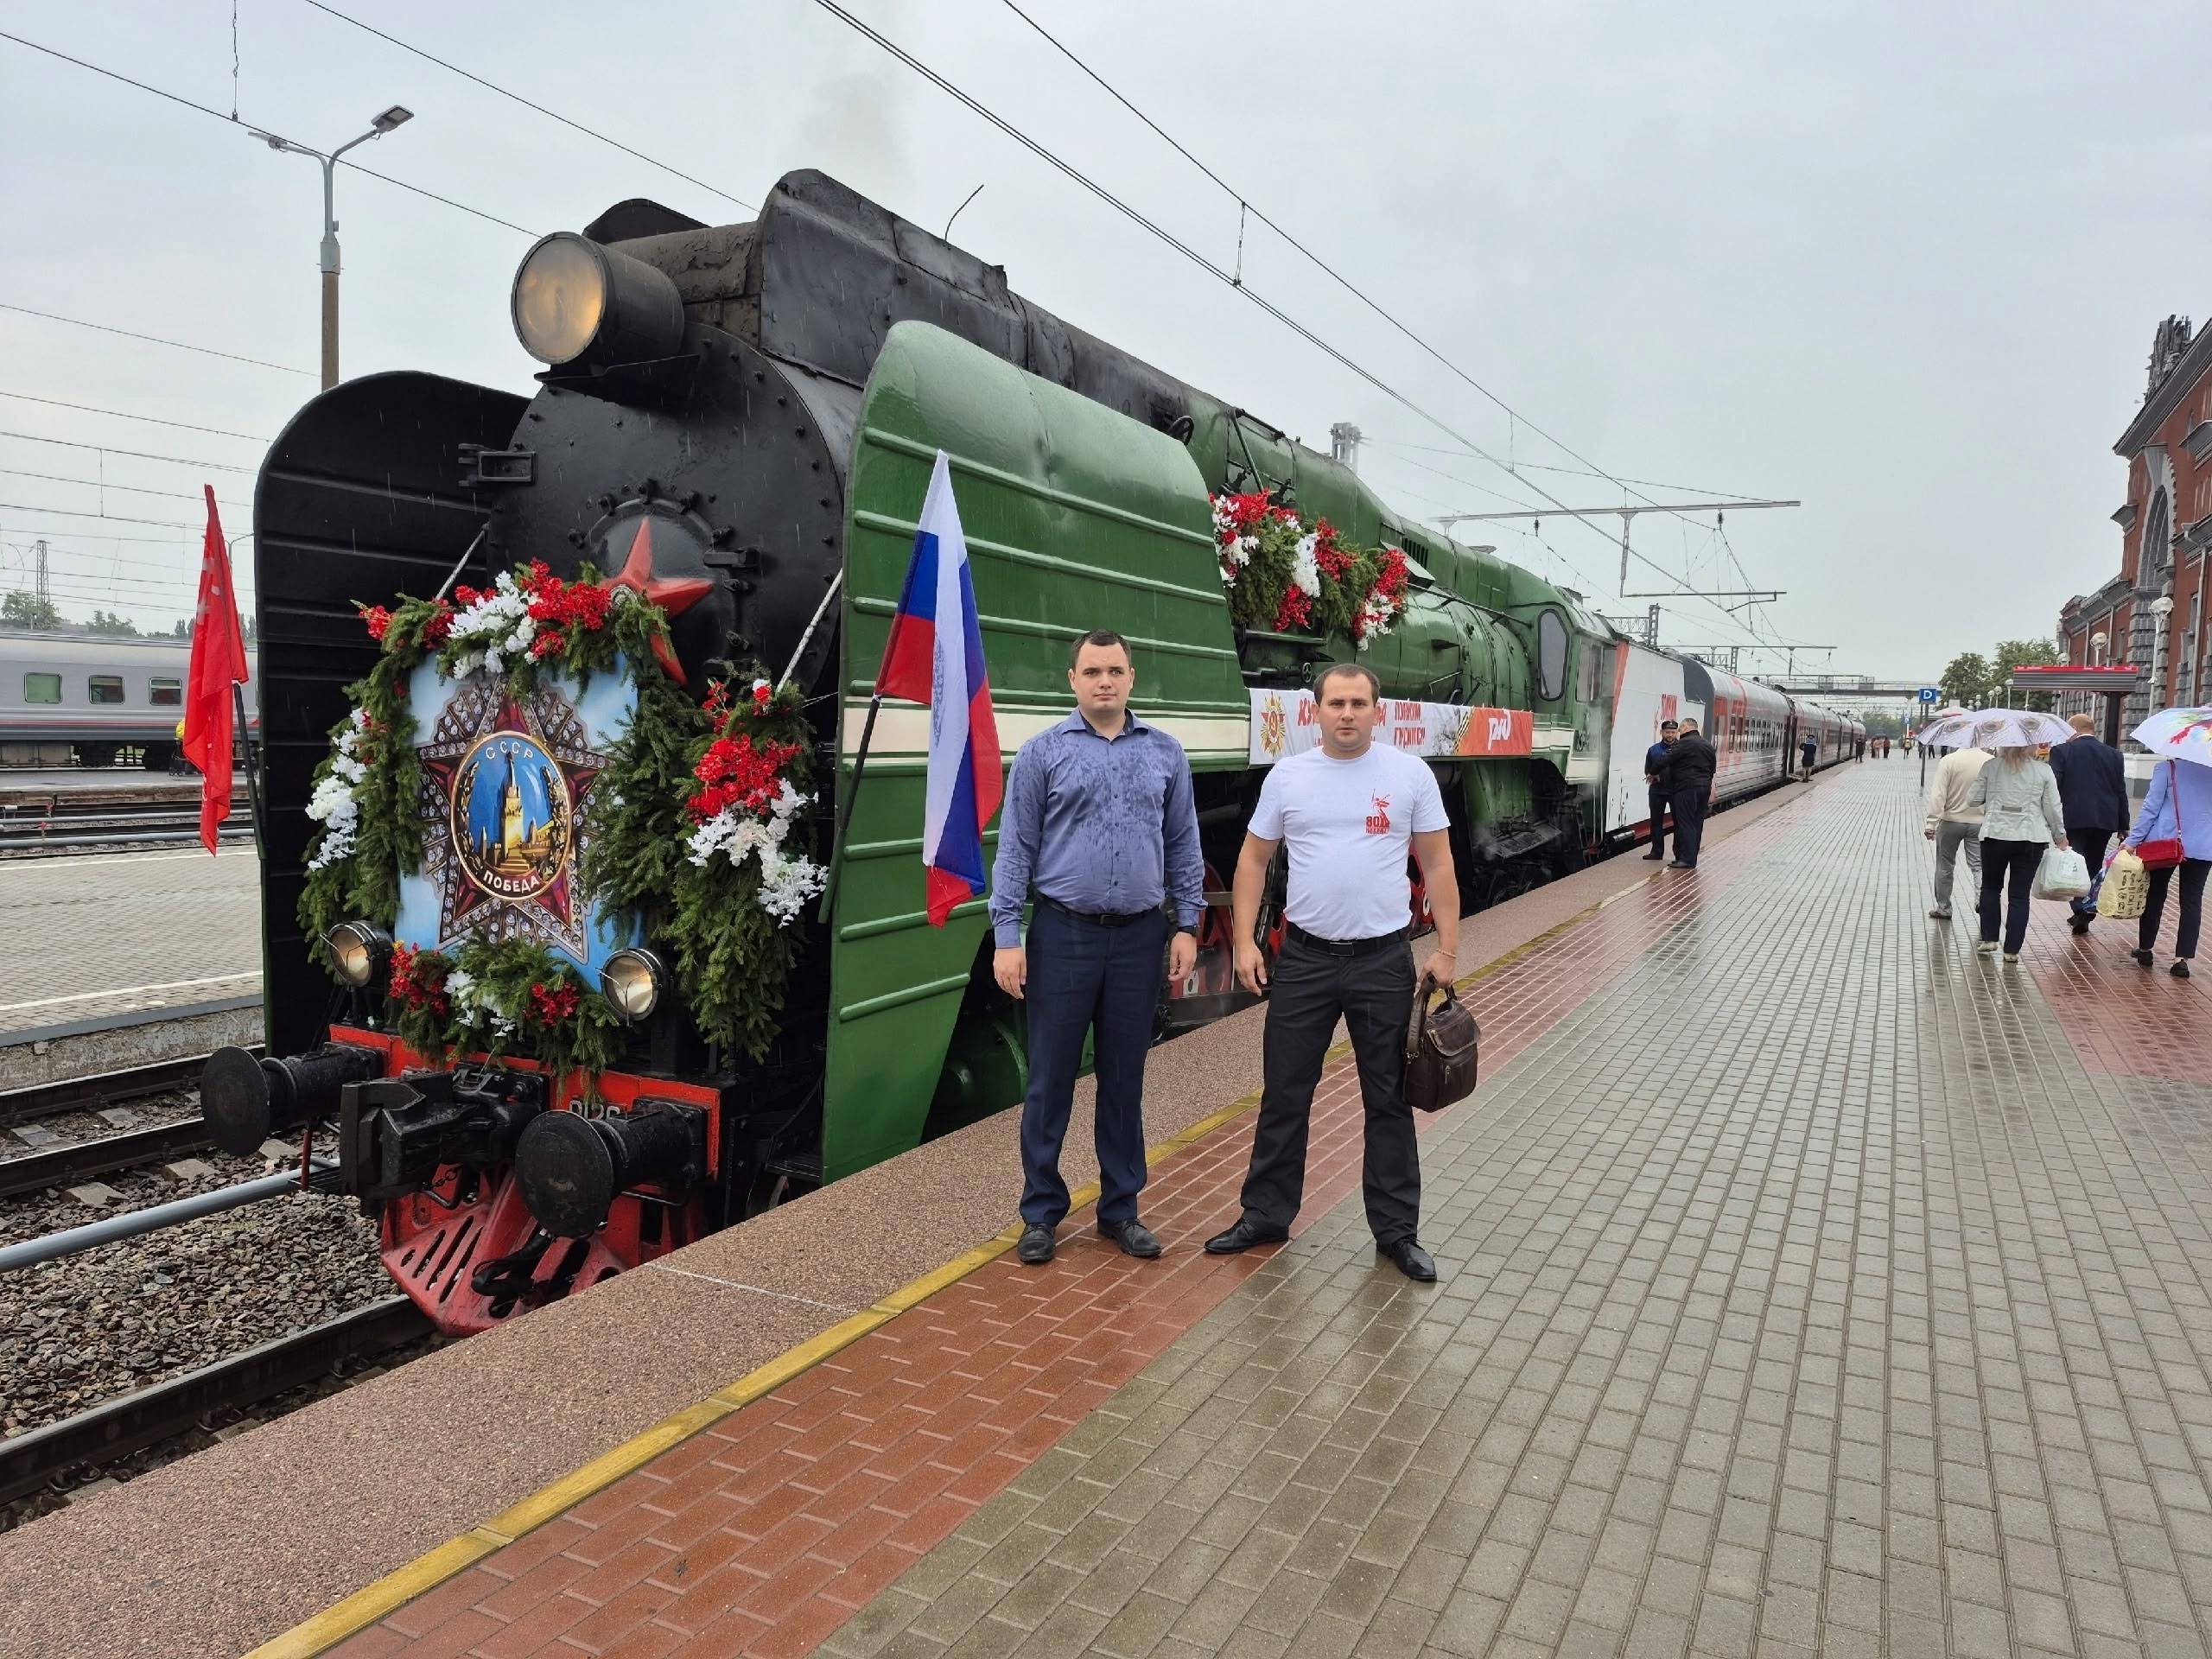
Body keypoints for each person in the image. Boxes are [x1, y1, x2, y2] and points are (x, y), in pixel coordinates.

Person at [1207, 663, 1459, 1282]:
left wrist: (1447, 949)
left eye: (1358, 703)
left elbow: (1439, 863)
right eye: (1336, 703)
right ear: (1314, 711)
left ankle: (1397, 1232)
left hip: (1383, 961)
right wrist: (1244, 942)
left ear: (1378, 711)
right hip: (1306, 960)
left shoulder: (1409, 775)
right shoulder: (1289, 778)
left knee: (1389, 1100)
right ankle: (1265, 1215)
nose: (1347, 714)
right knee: (1285, 1093)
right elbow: (1252, 862)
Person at [990, 630, 1202, 1265]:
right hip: (1064, 934)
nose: (1104, 681)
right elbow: (1015, 849)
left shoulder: (1166, 755)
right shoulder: (1041, 754)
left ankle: (1121, 1211)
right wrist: (1008, 936)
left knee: (1124, 1079)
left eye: (1114, 670)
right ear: (1072, 680)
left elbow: (1184, 843)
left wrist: (1186, 924)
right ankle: (1041, 1214)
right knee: (1050, 1079)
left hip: (1140, 938)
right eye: (1092, 671)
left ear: (1132, 678)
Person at [1965, 745, 2067, 963]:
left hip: (1995, 834)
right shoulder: (2043, 771)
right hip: (2030, 838)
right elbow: (2052, 807)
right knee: (2019, 895)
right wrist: (2060, 836)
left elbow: (1972, 800)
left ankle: (1990, 938)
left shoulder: (1991, 766)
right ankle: (2012, 950)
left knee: (1990, 888)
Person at [2121, 758, 2211, 979]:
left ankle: (2145, 949)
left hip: (2165, 842)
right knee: (2192, 900)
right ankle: (2182, 959)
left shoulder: (2167, 768)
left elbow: (2151, 808)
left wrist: (2133, 840)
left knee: (2155, 894)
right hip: (2204, 845)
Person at [2048, 712, 2131, 936]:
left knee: (2074, 863)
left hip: (2073, 818)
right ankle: (2086, 907)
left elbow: (2054, 785)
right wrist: (2124, 825)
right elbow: (2120, 790)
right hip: (2105, 819)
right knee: (2093, 864)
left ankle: (2079, 908)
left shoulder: (2062, 752)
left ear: (2073, 729)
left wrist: (2049, 817)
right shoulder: (2114, 755)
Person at [1923, 741, 1990, 920]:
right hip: (1979, 822)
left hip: (1950, 821)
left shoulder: (1949, 761)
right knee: (1978, 866)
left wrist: (1931, 823)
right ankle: (1980, 901)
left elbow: (1938, 794)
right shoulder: (1990, 761)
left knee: (1945, 865)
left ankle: (1944, 908)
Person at [1662, 717, 1717, 869]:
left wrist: (1653, 771)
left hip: (1686, 788)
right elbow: (1712, 768)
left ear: (1686, 727)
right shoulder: (1707, 745)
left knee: (1685, 823)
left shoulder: (1684, 743)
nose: (1679, 732)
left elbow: (1666, 759)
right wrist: (1706, 782)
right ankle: (1692, 857)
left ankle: (1686, 859)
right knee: (1697, 823)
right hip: (1704, 787)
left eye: (1680, 729)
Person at [1642, 719, 1678, 861]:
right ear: (1661, 732)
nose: (1670, 735)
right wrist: (1653, 775)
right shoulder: (1653, 750)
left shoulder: (1681, 748)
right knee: (1656, 822)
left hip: (1675, 790)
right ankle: (1657, 852)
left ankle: (1679, 853)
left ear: (1677, 732)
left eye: (1673, 732)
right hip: (1657, 790)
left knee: (1678, 822)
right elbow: (1648, 770)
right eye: (1667, 732)